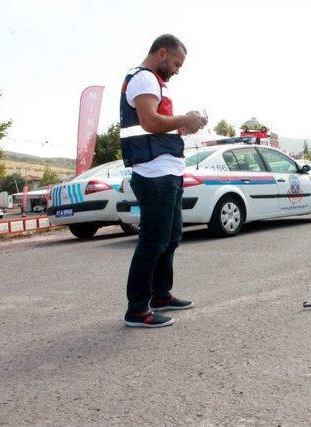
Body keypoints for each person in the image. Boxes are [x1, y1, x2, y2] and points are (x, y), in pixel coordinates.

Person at [120, 34, 208, 328]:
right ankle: (137, 310)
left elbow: (157, 127)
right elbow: (150, 121)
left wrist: (180, 129)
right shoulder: (143, 79)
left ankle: (160, 295)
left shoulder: (154, 82)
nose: (177, 70)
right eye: (176, 63)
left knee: (170, 237)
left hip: (166, 169)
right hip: (154, 173)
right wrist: (184, 119)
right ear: (161, 53)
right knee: (153, 240)